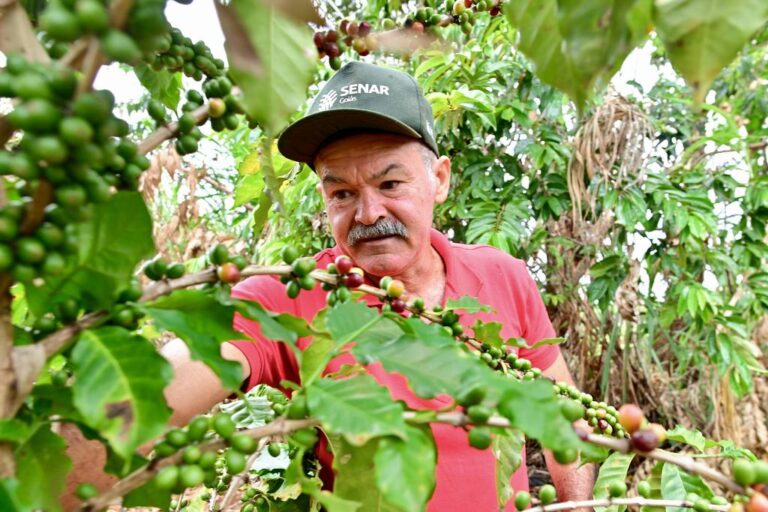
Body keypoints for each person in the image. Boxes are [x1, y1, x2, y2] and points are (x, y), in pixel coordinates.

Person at [63, 61, 594, 511]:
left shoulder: (503, 275)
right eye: (340, 192)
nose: (368, 213)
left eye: (390, 184)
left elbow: (565, 416)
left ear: (441, 179)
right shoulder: (294, 297)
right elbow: (167, 380)